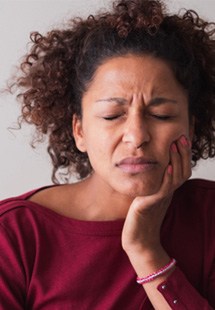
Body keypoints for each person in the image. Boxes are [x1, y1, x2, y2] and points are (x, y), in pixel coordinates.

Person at [0, 0, 215, 308]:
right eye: (113, 115)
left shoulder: (209, 216)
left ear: (191, 129)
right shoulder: (14, 236)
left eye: (162, 115)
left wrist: (145, 250)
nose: (137, 137)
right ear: (80, 131)